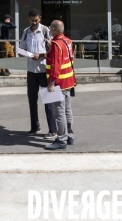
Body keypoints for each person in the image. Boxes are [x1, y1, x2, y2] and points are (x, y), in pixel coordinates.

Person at [18, 8, 57, 138]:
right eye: (32, 20)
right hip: (31, 71)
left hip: (44, 71)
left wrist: (40, 55)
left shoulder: (46, 31)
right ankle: (35, 127)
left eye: (36, 20)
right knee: (32, 100)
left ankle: (53, 130)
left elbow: (53, 50)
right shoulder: (25, 32)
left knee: (49, 101)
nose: (34, 22)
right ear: (28, 19)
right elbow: (21, 50)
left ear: (40, 18)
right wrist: (24, 53)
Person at [44, 20, 77, 151]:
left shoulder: (55, 44)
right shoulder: (67, 41)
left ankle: (61, 139)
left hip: (59, 83)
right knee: (67, 110)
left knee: (59, 113)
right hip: (68, 80)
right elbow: (70, 58)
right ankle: (70, 136)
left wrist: (52, 82)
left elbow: (55, 65)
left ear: (53, 29)